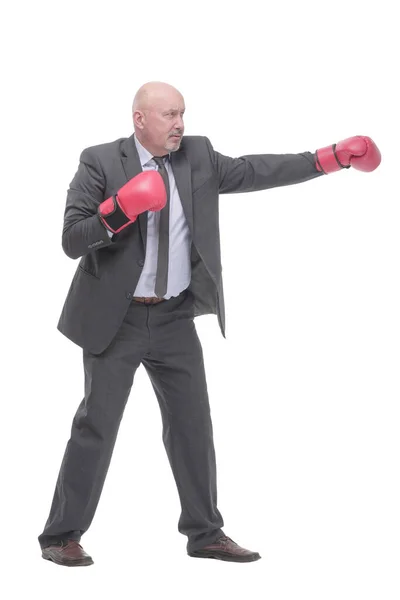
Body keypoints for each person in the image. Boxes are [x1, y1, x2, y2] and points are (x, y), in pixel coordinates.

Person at [38, 81, 381, 567]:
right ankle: (61, 534)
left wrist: (328, 158)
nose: (180, 124)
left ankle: (204, 533)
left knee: (192, 425)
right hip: (117, 319)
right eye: (169, 115)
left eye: (183, 114)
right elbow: (73, 239)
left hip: (175, 315)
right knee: (97, 425)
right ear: (140, 119)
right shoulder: (99, 160)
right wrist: (119, 210)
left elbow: (255, 170)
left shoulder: (196, 155)